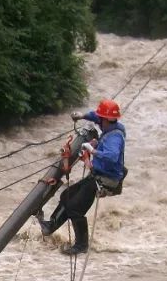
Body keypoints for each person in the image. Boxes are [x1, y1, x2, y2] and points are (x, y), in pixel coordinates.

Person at [34, 99, 127, 255]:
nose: (99, 122)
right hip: (97, 174)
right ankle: (50, 226)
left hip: (105, 180)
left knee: (75, 209)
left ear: (106, 120)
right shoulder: (110, 125)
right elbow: (96, 116)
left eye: (101, 119)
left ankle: (81, 245)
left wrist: (93, 150)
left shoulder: (114, 138)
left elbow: (112, 156)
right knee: (66, 195)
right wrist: (83, 116)